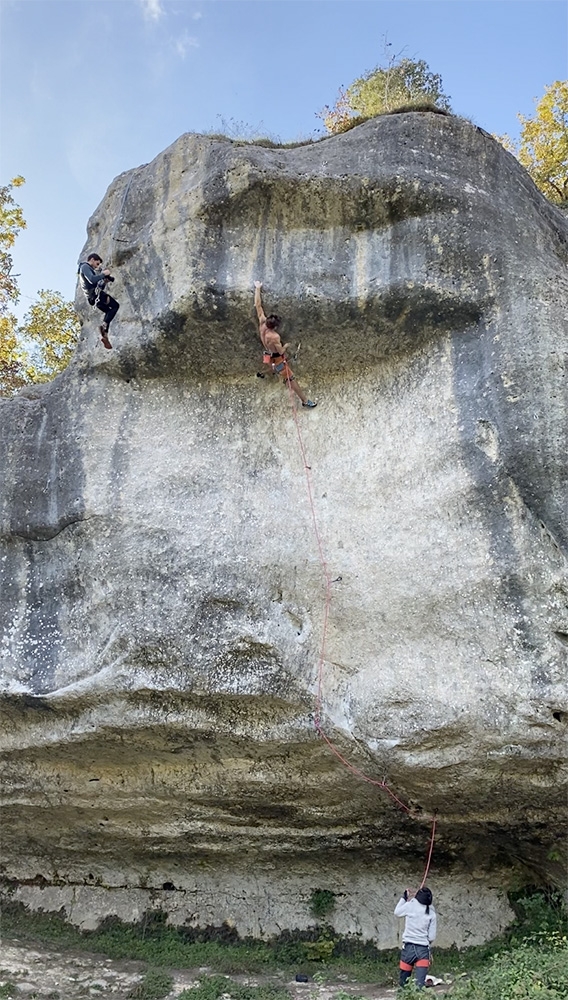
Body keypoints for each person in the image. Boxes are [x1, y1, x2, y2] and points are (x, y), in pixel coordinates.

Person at [254, 281, 316, 408]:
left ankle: (262, 373)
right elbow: (281, 352)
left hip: (267, 352)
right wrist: (286, 346)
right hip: (277, 359)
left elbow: (258, 305)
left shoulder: (261, 322)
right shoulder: (275, 337)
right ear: (275, 326)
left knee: (270, 365)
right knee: (290, 379)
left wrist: (257, 288)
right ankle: (304, 401)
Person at [394, 886, 437, 990]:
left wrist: (404, 898)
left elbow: (397, 912)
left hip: (408, 949)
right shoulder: (431, 913)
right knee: (420, 986)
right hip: (423, 951)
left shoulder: (410, 906)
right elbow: (431, 936)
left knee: (404, 983)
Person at [78, 253, 119, 350]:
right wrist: (103, 274)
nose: (97, 266)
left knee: (109, 311)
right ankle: (104, 328)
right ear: (92, 259)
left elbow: (98, 285)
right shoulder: (84, 266)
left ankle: (104, 334)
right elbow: (92, 280)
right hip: (95, 295)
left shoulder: (90, 270)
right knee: (115, 306)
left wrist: (105, 281)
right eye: (97, 263)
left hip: (95, 297)